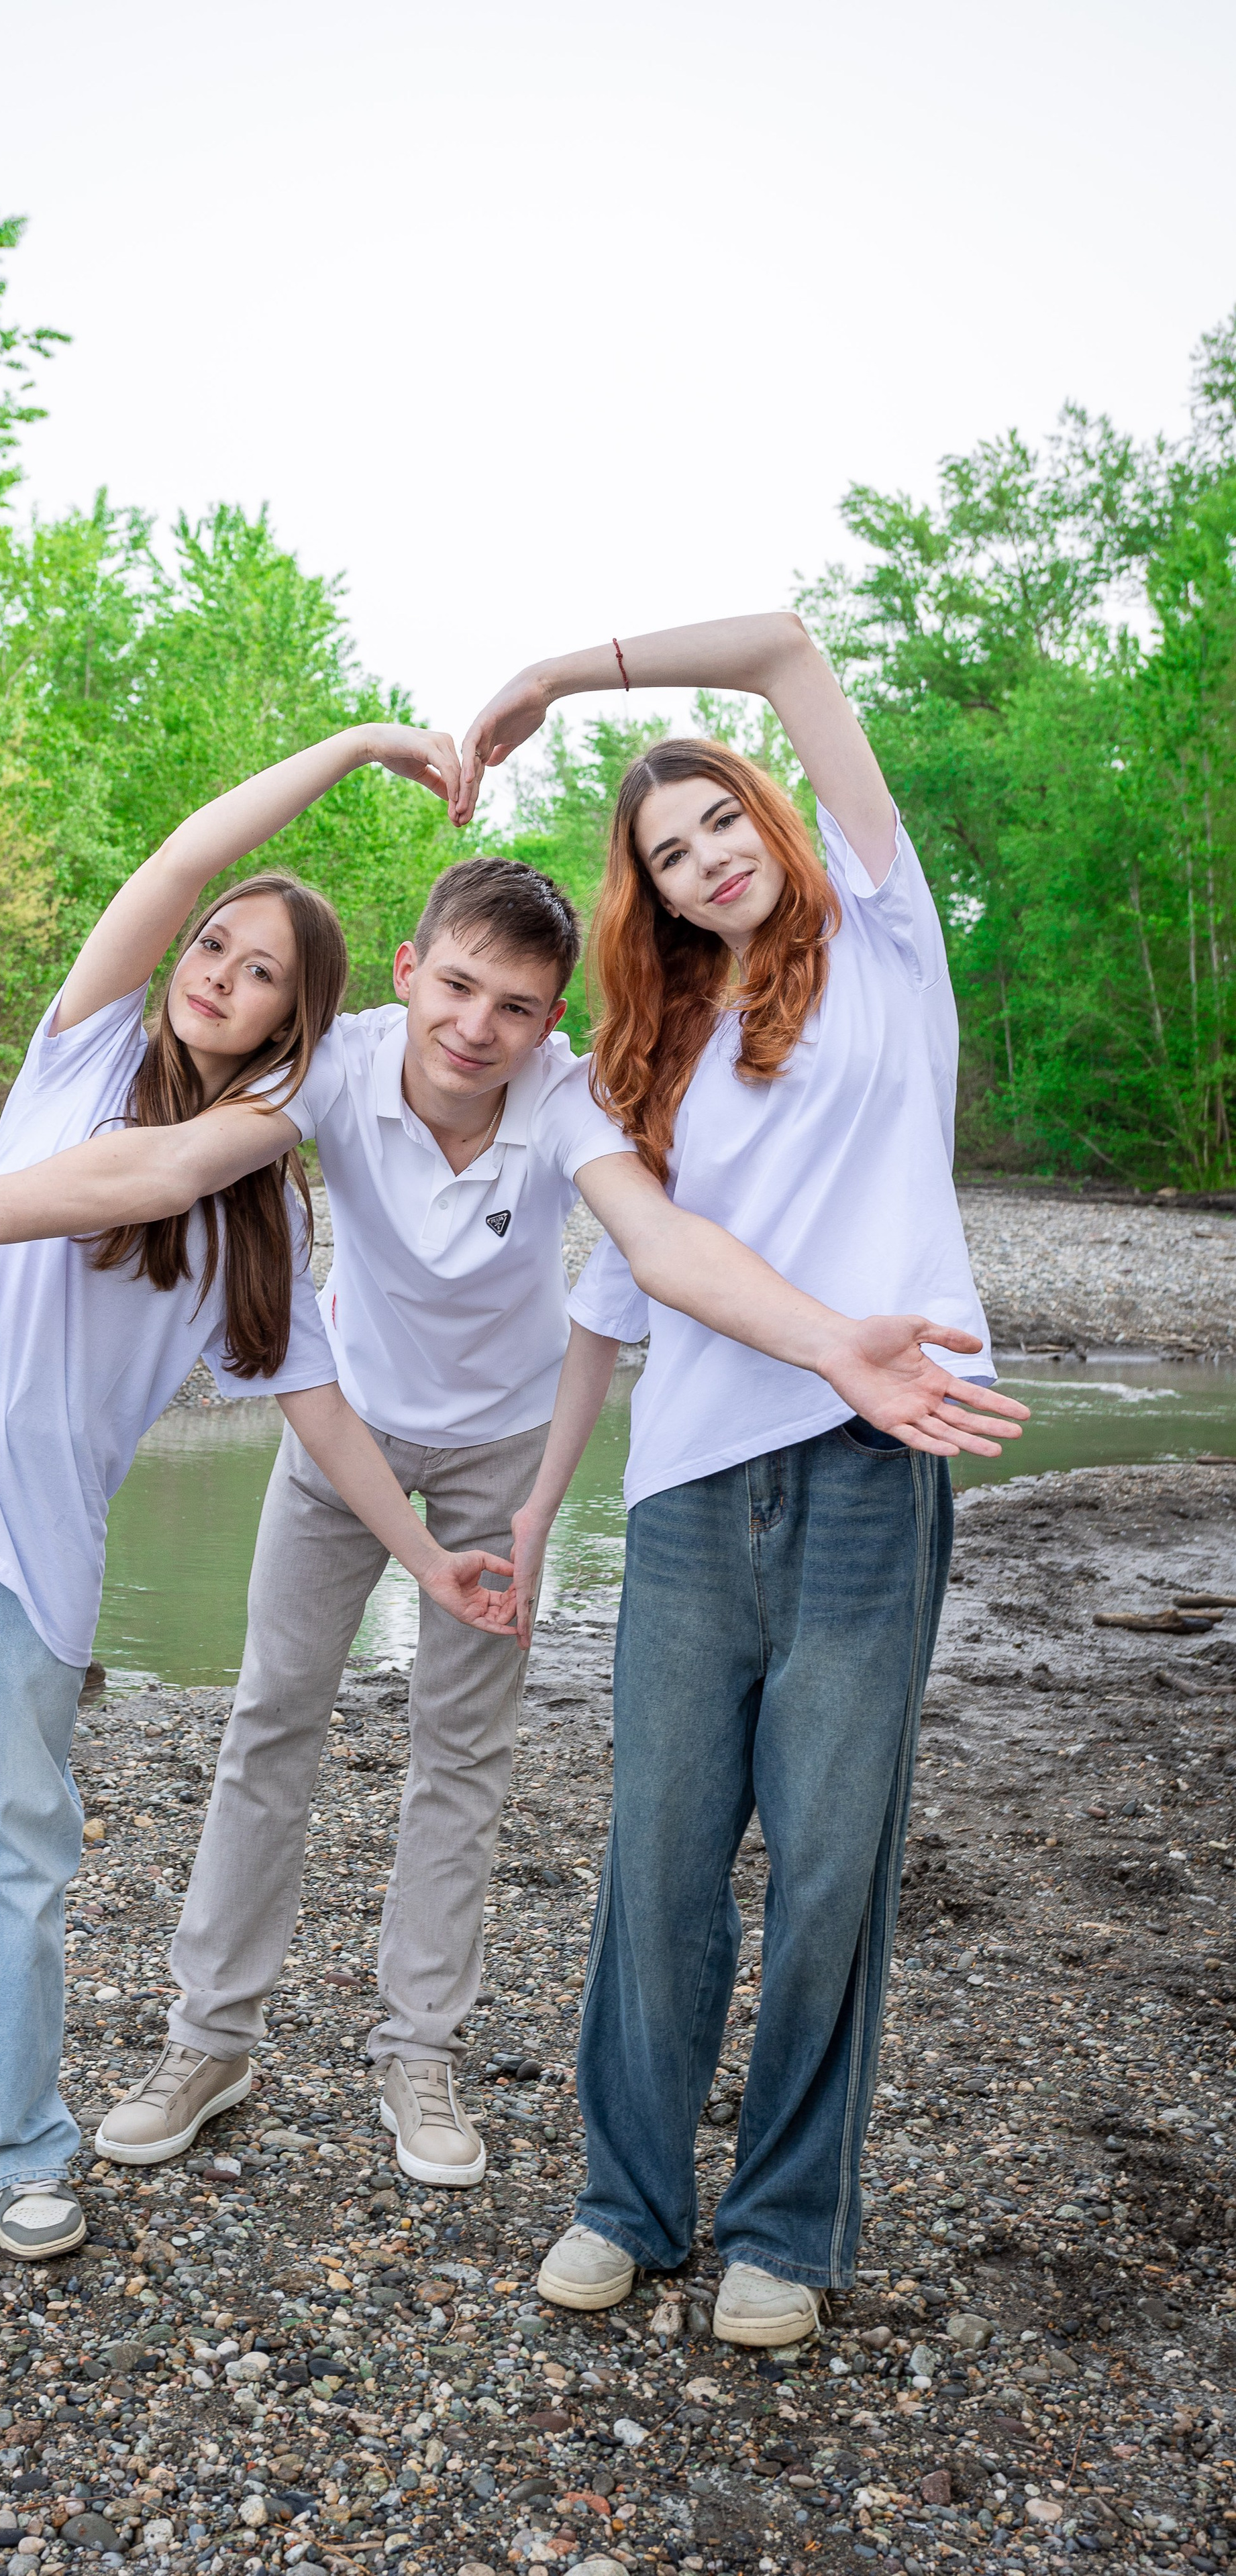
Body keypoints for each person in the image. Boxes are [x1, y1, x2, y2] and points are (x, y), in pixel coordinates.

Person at [0, 819, 1015, 2204]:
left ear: (551, 1024)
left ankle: (418, 2053)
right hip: (344, 1425)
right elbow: (165, 1168)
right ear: (409, 971)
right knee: (265, 1724)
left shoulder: (569, 1101)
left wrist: (817, 1349)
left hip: (501, 1442)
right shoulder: (337, 1061)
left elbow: (649, 1256)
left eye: (517, 1008)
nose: (477, 1028)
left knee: (459, 1757)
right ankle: (205, 2045)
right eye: (457, 987)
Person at [0, 720, 529, 2270]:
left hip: (38, 1546)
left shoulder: (251, 1197)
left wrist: (427, 1561)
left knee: (18, 1850)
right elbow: (179, 857)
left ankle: (13, 2144)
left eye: (257, 975)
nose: (217, 971)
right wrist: (358, 746)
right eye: (216, 947)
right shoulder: (86, 1045)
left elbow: (321, 1408)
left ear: (294, 1028)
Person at [452, 610, 1027, 2343]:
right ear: (648, 894)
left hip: (872, 1468)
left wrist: (567, 680)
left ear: (771, 824)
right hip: (696, 1491)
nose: (705, 864)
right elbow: (615, 1313)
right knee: (662, 1859)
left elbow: (785, 646)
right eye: (666, 854)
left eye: (719, 825)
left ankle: (785, 2229)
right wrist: (545, 1508)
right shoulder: (650, 1059)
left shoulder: (893, 945)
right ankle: (628, 2200)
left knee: (836, 1868)